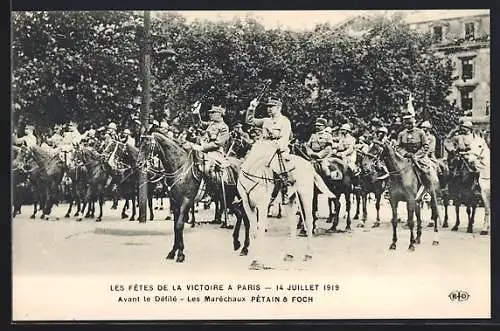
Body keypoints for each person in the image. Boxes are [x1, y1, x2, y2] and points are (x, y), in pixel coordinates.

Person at [242, 97, 293, 202]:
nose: (269, 109)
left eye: (272, 107)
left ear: (279, 108)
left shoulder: (284, 121)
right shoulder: (266, 120)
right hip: (262, 146)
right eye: (268, 107)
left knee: (279, 166)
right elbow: (249, 121)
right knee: (247, 161)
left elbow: (285, 138)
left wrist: (276, 146)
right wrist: (251, 108)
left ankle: (285, 190)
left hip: (277, 148)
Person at [395, 111, 437, 201]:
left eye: (410, 124)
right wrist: (405, 154)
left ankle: (427, 191)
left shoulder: (420, 132)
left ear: (414, 123)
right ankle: (392, 190)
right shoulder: (402, 134)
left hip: (420, 157)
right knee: (394, 170)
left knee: (427, 170)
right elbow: (398, 147)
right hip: (406, 158)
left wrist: (417, 155)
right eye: (407, 124)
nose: (409, 126)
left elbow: (426, 145)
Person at [333, 123, 360, 188]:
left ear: (347, 131)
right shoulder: (341, 138)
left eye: (343, 130)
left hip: (349, 156)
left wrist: (343, 154)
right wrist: (335, 151)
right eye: (342, 129)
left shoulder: (352, 139)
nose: (342, 131)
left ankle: (356, 184)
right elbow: (339, 146)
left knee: (352, 168)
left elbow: (350, 150)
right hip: (340, 155)